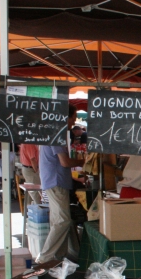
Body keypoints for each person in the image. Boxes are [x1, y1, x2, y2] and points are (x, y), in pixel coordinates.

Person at [38, 105, 84, 263]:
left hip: (53, 180)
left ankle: (59, 256)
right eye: (73, 116)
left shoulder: (52, 132)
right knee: (62, 220)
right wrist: (82, 161)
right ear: (66, 117)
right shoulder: (56, 134)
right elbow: (65, 162)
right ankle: (45, 257)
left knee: (59, 219)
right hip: (55, 181)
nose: (74, 121)